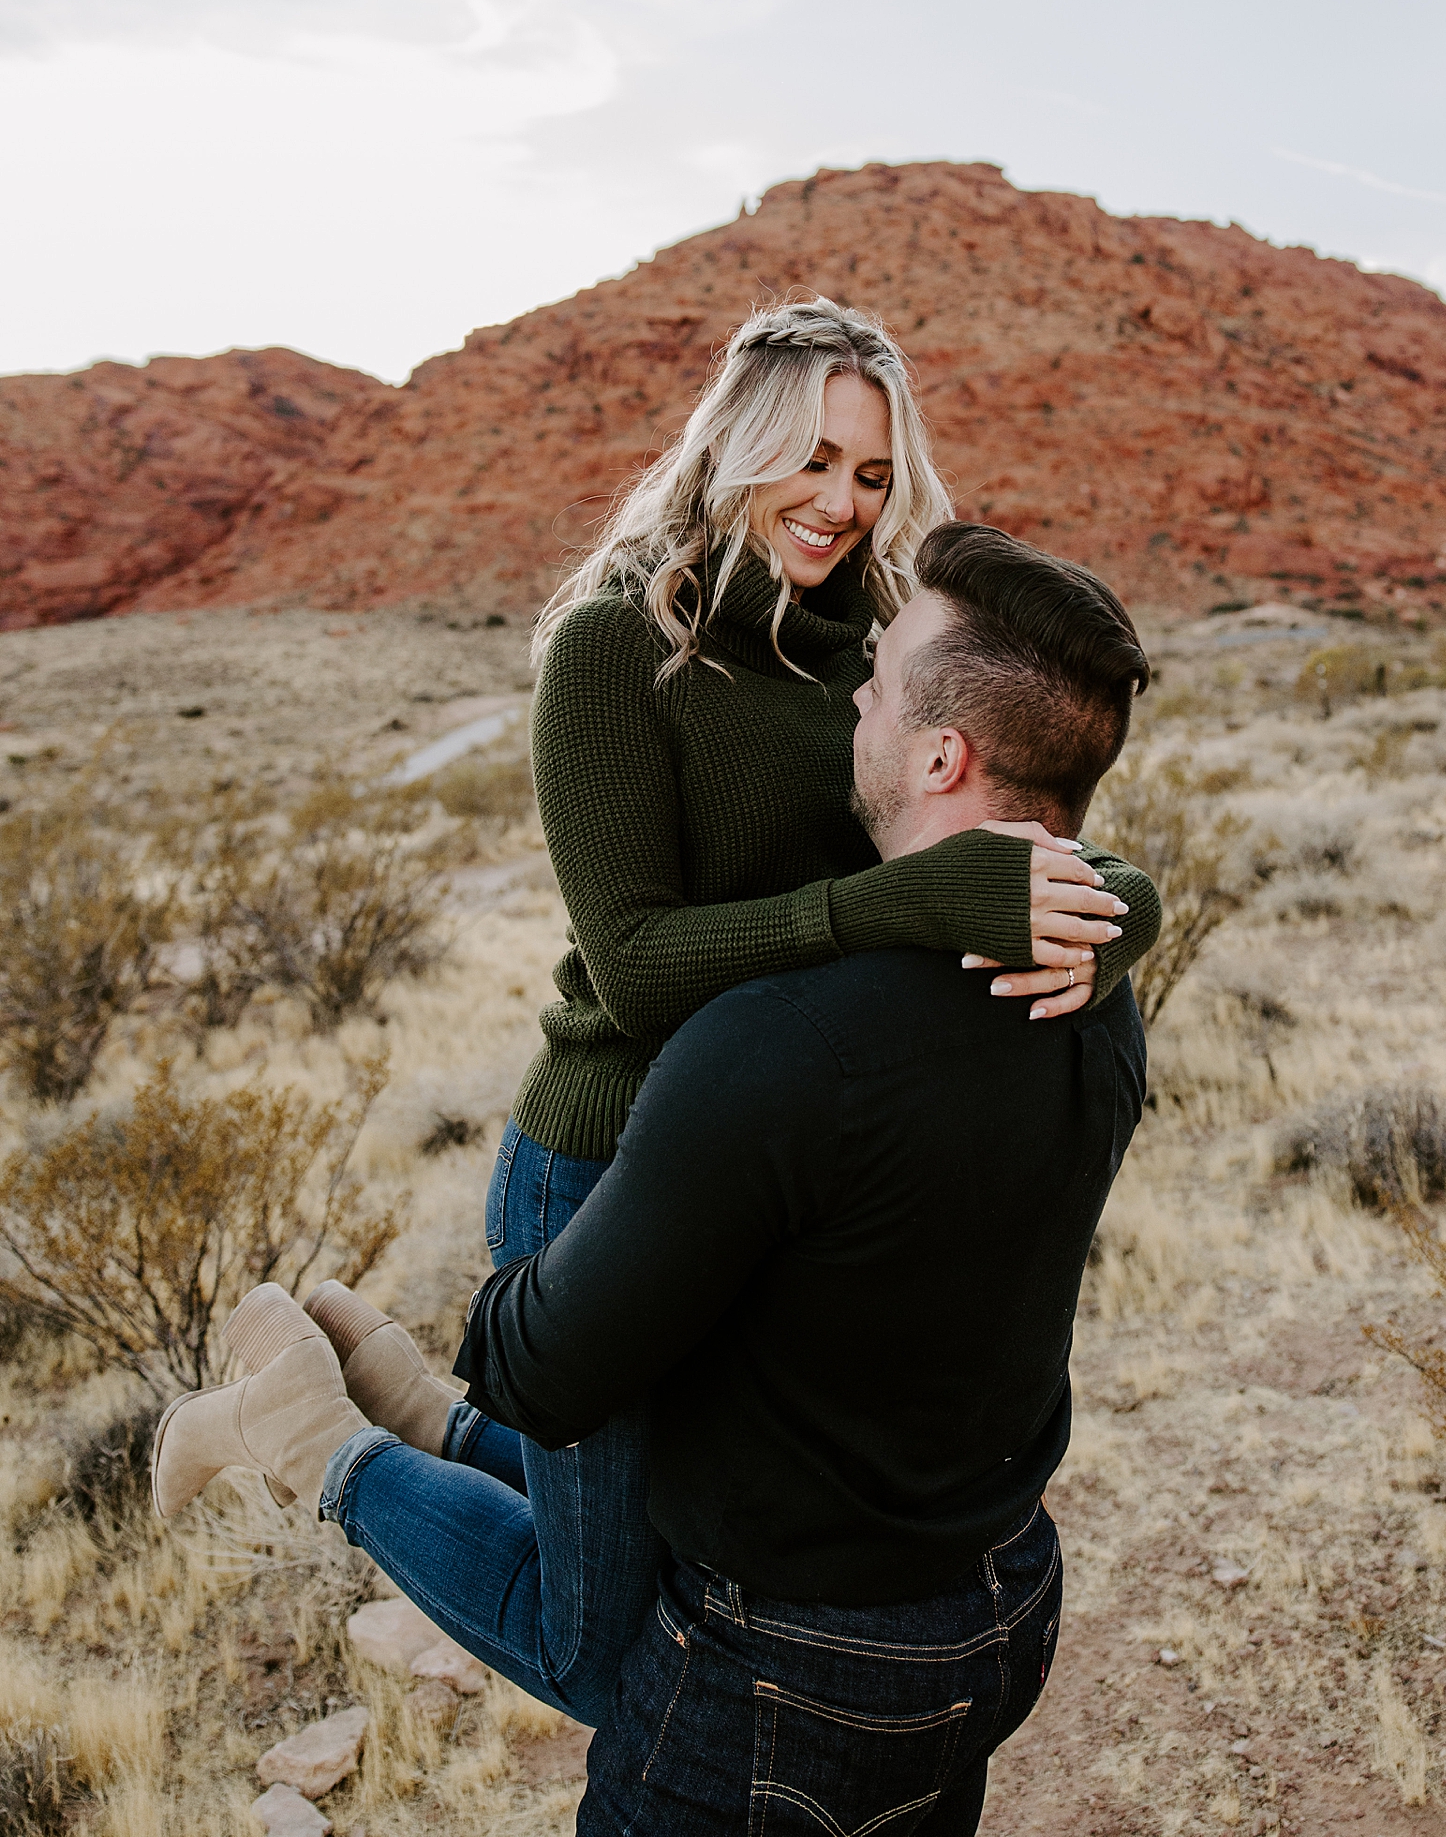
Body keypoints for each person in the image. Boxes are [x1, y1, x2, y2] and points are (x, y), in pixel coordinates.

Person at [151, 304, 1160, 1727]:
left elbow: (1010, 806)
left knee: (681, 1556)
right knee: (600, 1647)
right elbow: (635, 966)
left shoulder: (872, 643)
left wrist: (1126, 912)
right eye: (811, 459)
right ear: (734, 442)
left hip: (769, 1168)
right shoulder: (615, 648)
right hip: (605, 1162)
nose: (840, 502)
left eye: (872, 474)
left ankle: (419, 1405)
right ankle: (315, 1437)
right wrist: (900, 911)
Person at [454, 520, 1153, 1833]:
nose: (857, 700)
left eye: (876, 683)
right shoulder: (1098, 995)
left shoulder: (783, 1050)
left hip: (788, 1678)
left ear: (942, 755)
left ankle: (331, 1449)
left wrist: (495, 1302)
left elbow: (544, 1371)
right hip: (996, 1607)